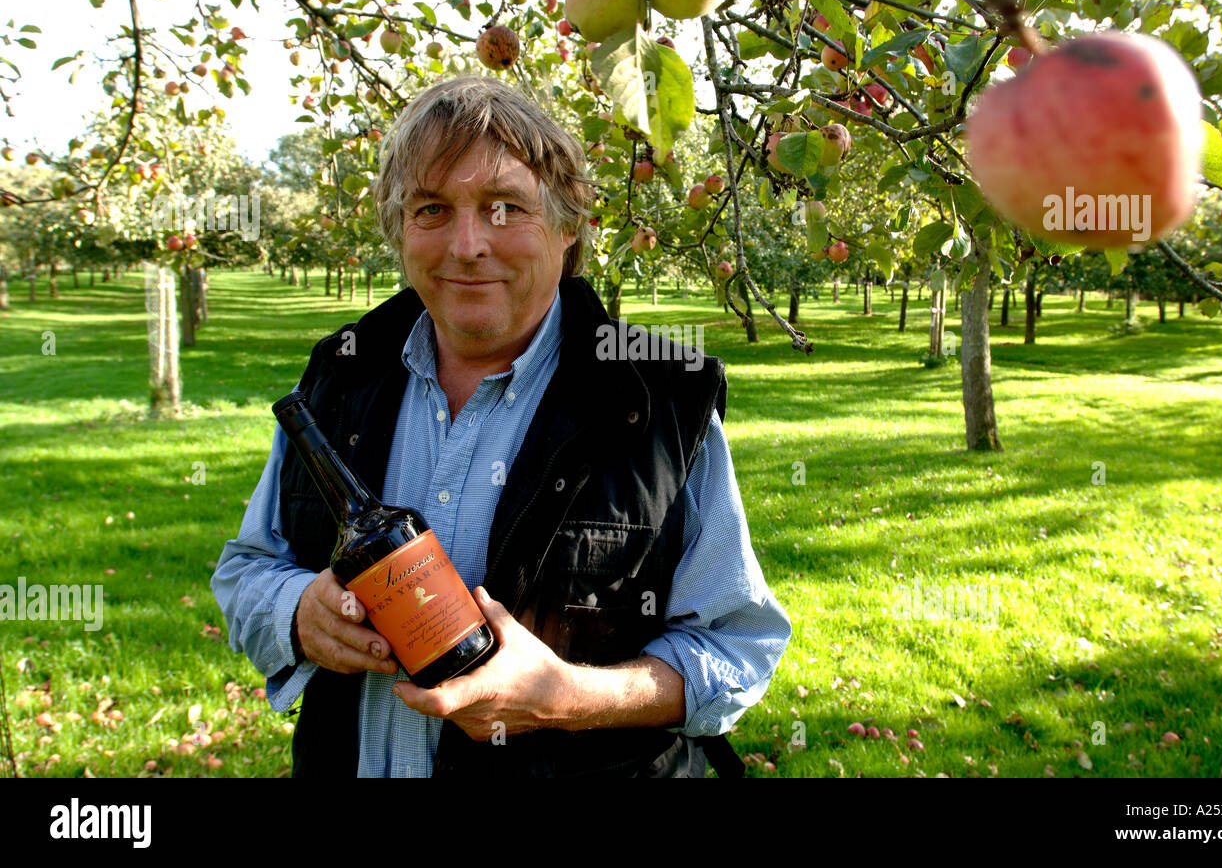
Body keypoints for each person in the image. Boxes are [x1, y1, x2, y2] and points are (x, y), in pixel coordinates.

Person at [212, 75, 791, 778]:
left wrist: (568, 697)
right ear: (400, 229)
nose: (465, 245)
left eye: (503, 207)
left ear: (568, 221)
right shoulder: (340, 378)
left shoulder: (657, 401)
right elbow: (248, 569)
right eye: (431, 208)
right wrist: (298, 611)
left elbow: (737, 648)